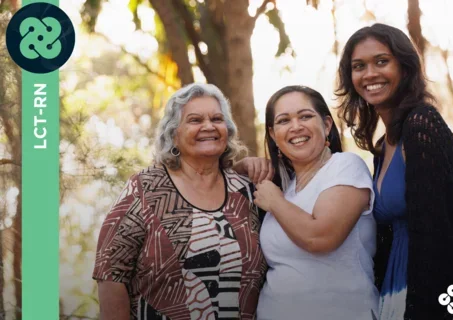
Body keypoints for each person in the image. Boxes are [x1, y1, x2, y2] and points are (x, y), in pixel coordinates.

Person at [92, 83, 272, 320]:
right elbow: (111, 273)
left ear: (227, 130)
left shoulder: (246, 191)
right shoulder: (146, 189)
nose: (208, 126)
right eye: (195, 120)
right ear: (173, 134)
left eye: (217, 119)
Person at [336, 23, 453, 319]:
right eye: (359, 66)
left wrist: (428, 308)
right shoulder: (382, 146)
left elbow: (438, 233)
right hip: (395, 289)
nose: (370, 74)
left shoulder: (422, 125)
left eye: (381, 61)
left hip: (433, 294)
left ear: (405, 66)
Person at [253, 85, 379, 319]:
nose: (295, 126)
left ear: (327, 125)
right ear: (273, 134)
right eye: (283, 120)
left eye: (305, 116)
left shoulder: (345, 167)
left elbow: (320, 237)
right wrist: (241, 167)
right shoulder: (285, 187)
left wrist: (276, 202)